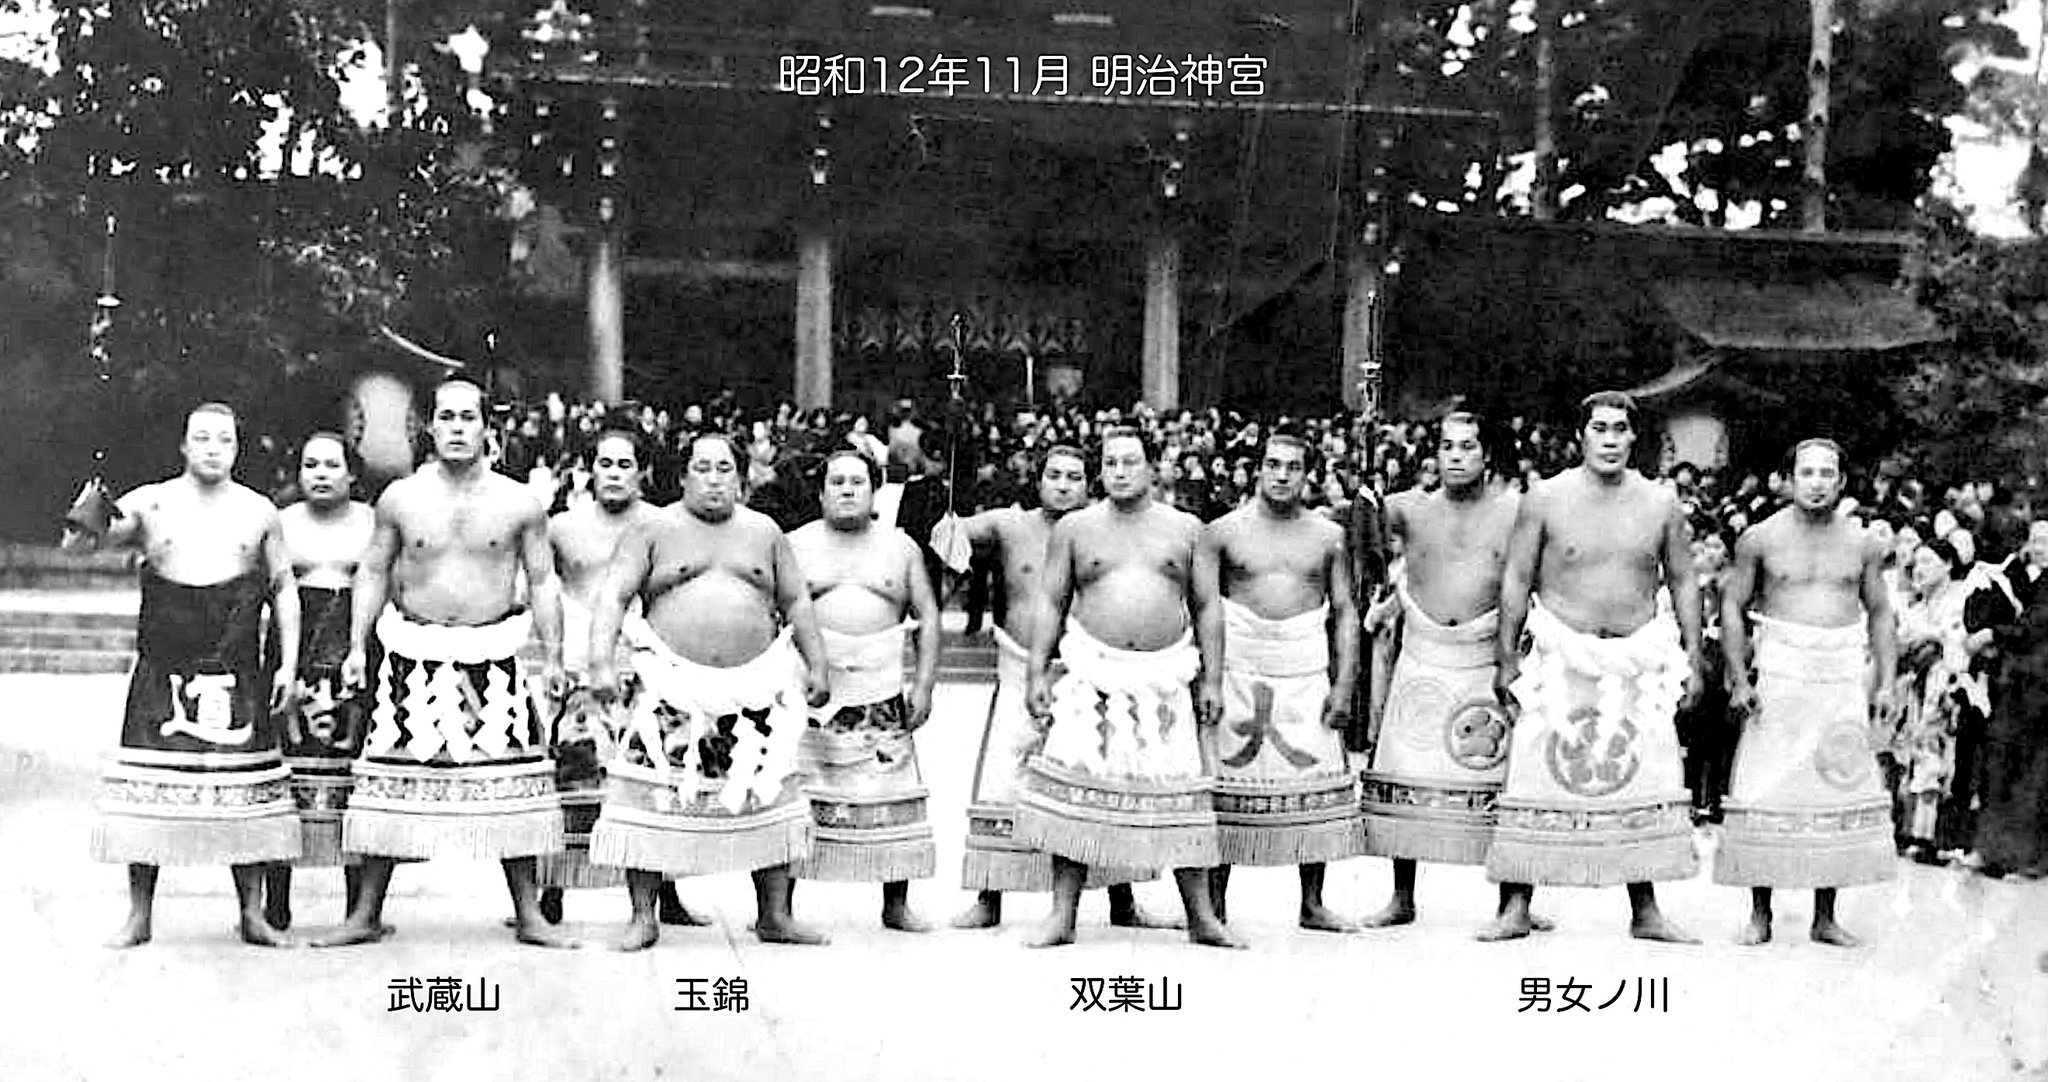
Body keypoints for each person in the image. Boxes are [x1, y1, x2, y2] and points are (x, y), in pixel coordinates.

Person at [315, 378, 573, 950]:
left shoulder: (519, 502)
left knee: (512, 787)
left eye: (467, 417)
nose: (457, 428)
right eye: (447, 417)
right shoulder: (400, 499)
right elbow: (373, 571)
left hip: (492, 660)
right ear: (428, 427)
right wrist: (357, 646)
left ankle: (530, 914)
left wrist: (554, 656)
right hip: (412, 656)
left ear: (487, 427)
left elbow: (542, 580)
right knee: (389, 785)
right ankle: (365, 913)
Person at [585, 434, 834, 951]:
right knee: (650, 796)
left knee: (770, 798)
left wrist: (818, 663)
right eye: (702, 468)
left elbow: (796, 601)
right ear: (682, 476)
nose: (714, 479)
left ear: (741, 478)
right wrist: (601, 661)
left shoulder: (764, 532)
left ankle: (774, 915)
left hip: (755, 686)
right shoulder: (652, 529)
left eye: (724, 469)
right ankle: (643, 917)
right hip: (671, 686)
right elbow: (613, 596)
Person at [68, 402, 303, 948]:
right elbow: (81, 546)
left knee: (244, 796)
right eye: (202, 438)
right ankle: (139, 915)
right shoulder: (149, 502)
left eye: (224, 439)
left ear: (237, 448)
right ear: (183, 445)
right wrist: (87, 511)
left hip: (234, 666)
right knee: (149, 795)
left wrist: (288, 664)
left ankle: (252, 914)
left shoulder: (260, 511)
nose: (213, 448)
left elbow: (284, 589)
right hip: (163, 668)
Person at [1483, 391, 1703, 943]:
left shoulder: (1660, 502)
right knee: (1535, 775)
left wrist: (1694, 659)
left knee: (1641, 775)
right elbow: (1517, 576)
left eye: (1619, 429)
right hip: (1558, 653)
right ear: (1582, 435)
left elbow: (1683, 580)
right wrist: (1505, 657)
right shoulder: (1545, 497)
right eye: (1599, 428)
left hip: (1637, 658)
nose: (1609, 439)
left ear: (1634, 437)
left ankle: (1646, 910)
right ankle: (1516, 904)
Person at [1014, 427, 1242, 949]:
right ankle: (1062, 916)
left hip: (1165, 675)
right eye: (1111, 463)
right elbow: (1051, 600)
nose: (1119, 472)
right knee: (1075, 786)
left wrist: (1212, 677)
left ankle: (1201, 917)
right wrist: (1036, 671)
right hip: (1091, 671)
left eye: (1130, 462)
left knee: (1180, 789)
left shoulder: (1187, 529)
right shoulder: (1075, 528)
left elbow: (1207, 606)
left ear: (1152, 468)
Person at [942, 445, 1168, 931]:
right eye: (1054, 475)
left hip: (1090, 667)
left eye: (1074, 477)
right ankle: (990, 895)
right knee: (1005, 779)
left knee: (1100, 780)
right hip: (1019, 667)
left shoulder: (1107, 530)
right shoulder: (1007, 525)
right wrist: (946, 503)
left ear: (1090, 484)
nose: (1063, 485)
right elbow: (945, 535)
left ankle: (1122, 898)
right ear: (1038, 479)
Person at [1359, 412, 1543, 931]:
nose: (1456, 456)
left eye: (1467, 446)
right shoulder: (1407, 508)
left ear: (1487, 455)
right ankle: (1402, 897)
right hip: (1424, 650)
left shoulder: (1516, 511)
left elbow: (1536, 576)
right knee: (1407, 772)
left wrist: (1518, 653)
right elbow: (1359, 533)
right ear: (1434, 454)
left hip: (1490, 655)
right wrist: (1366, 480)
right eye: (1447, 446)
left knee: (1507, 780)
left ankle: (1514, 902)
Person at [1716, 439, 1898, 946]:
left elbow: (1881, 611)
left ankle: (1825, 916)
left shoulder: (1863, 542)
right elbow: (1732, 605)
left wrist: (1886, 681)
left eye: (1826, 473)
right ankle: (1761, 912)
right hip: (1780, 672)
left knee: (1833, 785)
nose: (1816, 482)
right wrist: (1739, 677)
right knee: (1765, 787)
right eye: (1807, 472)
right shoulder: (1759, 538)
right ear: (1789, 479)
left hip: (1840, 673)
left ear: (1841, 482)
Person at [539, 426, 707, 927]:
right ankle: (552, 892)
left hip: (648, 664)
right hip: (579, 665)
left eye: (624, 464)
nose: (614, 474)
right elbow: (543, 593)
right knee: (573, 777)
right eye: (605, 463)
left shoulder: (664, 525)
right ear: (589, 469)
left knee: (655, 777)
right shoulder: (562, 527)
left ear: (642, 471)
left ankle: (664, 893)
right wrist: (552, 658)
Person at [1196, 434, 1362, 931]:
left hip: (1305, 667)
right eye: (1273, 464)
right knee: (1225, 787)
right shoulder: (1222, 532)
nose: (1282, 474)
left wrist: (1344, 683)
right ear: (1258, 470)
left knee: (1313, 784)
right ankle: (1215, 905)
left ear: (1307, 475)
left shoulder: (1328, 536)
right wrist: (1210, 678)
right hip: (1238, 666)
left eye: (1293, 466)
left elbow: (1346, 611)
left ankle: (1312, 903)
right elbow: (1206, 609)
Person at [786, 450, 942, 930]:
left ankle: (896, 904)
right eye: (837, 482)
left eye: (858, 482)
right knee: (793, 795)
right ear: (820, 492)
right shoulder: (794, 544)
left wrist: (924, 684)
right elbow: (773, 615)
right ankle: (778, 909)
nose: (848, 490)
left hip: (881, 687)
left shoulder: (902, 548)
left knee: (891, 795)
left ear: (876, 492)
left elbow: (928, 616)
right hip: (810, 689)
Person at [261, 431, 375, 932]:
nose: (321, 474)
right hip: (293, 653)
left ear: (351, 473)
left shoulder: (373, 523)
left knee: (355, 777)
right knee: (284, 775)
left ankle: (358, 908)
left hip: (356, 652)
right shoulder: (280, 523)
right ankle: (277, 902)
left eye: (332, 465)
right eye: (311, 465)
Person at [1970, 520, 2048, 880]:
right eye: (2035, 540)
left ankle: (2028, 858)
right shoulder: (2023, 579)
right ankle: (1991, 851)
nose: (2039, 547)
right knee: (2001, 767)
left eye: (2046, 541)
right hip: (2015, 685)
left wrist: (1992, 632)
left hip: (2041, 690)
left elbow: (2034, 626)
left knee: (2034, 775)